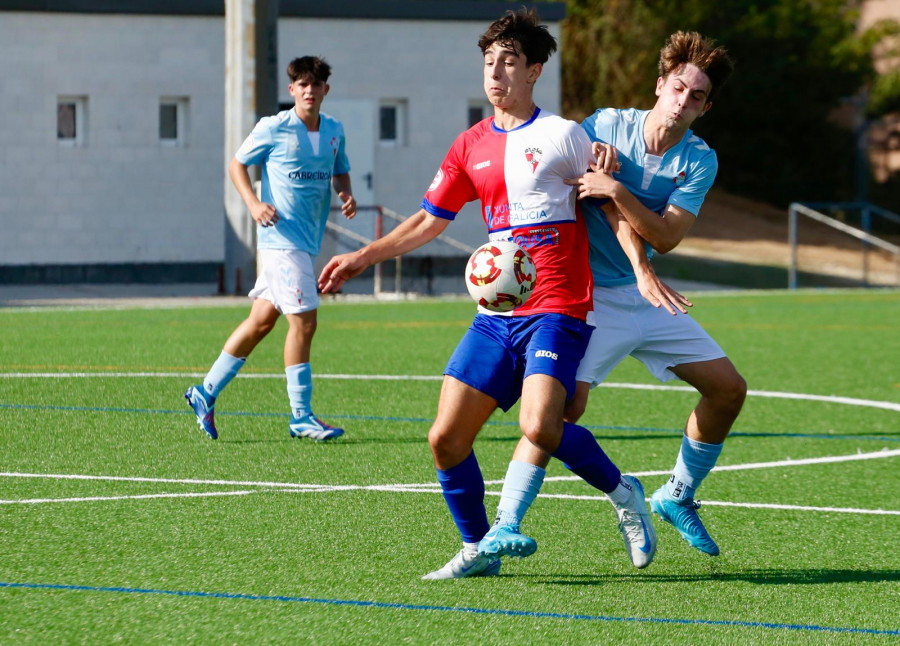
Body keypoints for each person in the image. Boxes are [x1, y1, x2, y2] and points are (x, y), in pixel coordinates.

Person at [318, 9, 669, 579]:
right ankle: (478, 549)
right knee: (445, 439)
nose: (496, 72)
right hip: (496, 312)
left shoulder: (562, 135)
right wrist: (363, 255)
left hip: (557, 307)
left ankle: (624, 492)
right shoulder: (469, 146)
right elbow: (429, 222)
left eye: (509, 61)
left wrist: (641, 269)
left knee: (539, 427)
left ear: (533, 71)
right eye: (489, 62)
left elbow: (609, 206)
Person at [481, 31, 743, 560]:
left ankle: (678, 495)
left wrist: (621, 191)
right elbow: (592, 202)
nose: (682, 101)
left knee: (728, 389)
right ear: (658, 86)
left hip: (648, 296)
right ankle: (503, 524)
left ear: (705, 107)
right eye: (677, 88)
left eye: (696, 96)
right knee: (558, 411)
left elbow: (666, 235)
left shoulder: (699, 160)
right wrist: (637, 260)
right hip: (590, 296)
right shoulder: (604, 127)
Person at [185, 56, 356, 442]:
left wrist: (345, 192)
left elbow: (340, 167)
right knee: (305, 322)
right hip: (281, 241)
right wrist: (253, 204)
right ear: (292, 89)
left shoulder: (333, 131)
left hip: (304, 242)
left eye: (317, 85)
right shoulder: (274, 128)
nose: (309, 91)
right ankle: (301, 416)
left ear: (326, 90)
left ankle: (205, 392)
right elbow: (237, 165)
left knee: (261, 322)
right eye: (302, 84)